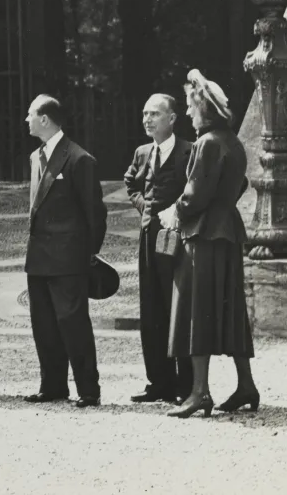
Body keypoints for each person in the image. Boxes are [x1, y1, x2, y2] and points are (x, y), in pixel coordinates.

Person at [158, 70, 259, 419]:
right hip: (227, 233)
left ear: (204, 108)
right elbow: (240, 183)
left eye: (190, 105)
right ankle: (246, 385)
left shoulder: (207, 143)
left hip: (203, 236)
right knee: (231, 311)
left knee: (195, 308)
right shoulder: (233, 142)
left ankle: (200, 392)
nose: (188, 112)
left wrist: (175, 210)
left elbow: (195, 194)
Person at [23, 94, 107, 408]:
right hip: (38, 256)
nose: (26, 120)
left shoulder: (79, 158)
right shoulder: (35, 156)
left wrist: (88, 255)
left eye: (30, 114)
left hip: (68, 258)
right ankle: (53, 385)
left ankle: (88, 389)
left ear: (44, 119)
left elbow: (95, 214)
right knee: (43, 324)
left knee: (73, 324)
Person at [124, 94, 193, 404]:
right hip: (149, 240)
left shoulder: (189, 151)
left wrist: (178, 213)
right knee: (151, 309)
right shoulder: (142, 152)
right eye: (144, 114)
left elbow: (197, 190)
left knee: (178, 308)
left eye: (154, 114)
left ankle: (186, 385)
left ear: (172, 118)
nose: (147, 119)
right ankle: (158, 383)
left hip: (178, 241)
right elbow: (130, 183)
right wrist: (145, 208)